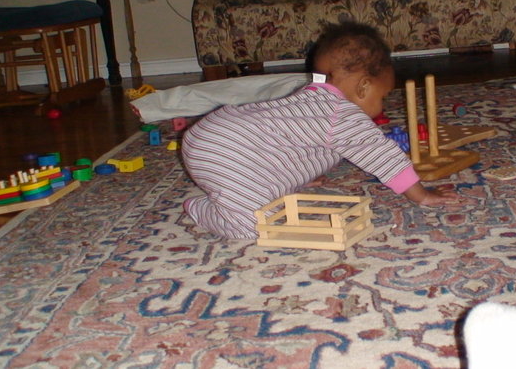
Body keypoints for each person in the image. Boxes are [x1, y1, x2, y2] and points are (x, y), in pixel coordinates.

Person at [181, 21, 458, 239]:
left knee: (273, 190)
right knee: (256, 226)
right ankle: (202, 209)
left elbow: (286, 143)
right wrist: (422, 195)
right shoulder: (342, 113)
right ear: (363, 87)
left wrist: (297, 176)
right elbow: (384, 157)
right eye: (382, 96)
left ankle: (260, 186)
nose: (381, 105)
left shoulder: (312, 101)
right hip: (225, 151)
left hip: (217, 135)